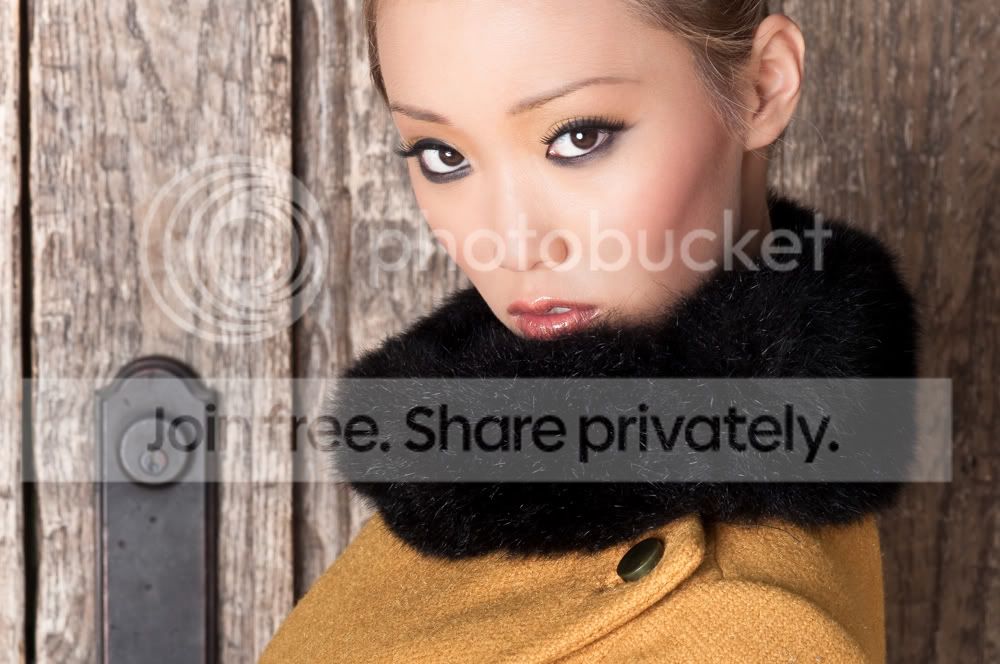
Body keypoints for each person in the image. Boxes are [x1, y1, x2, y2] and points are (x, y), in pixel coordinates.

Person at [261, 1, 918, 661]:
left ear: (764, 85)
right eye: (442, 154)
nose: (509, 244)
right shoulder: (479, 463)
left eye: (578, 138)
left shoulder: (740, 626)